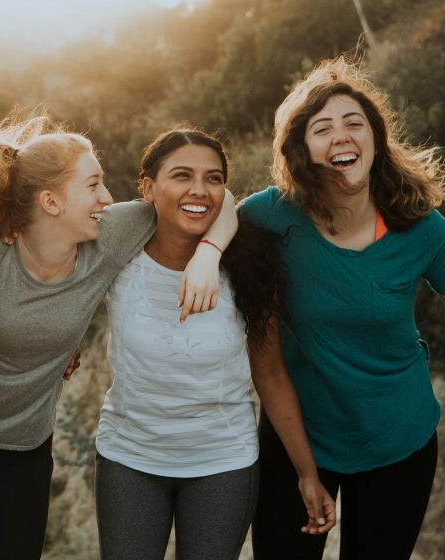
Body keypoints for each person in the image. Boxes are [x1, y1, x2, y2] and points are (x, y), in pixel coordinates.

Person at [0, 114, 236, 559]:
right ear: (51, 201)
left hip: (27, 444)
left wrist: (208, 254)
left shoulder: (110, 235)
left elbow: (215, 200)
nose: (108, 198)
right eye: (93, 186)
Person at [240, 57, 445, 559]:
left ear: (375, 138)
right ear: (301, 149)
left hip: (399, 442)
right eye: (322, 128)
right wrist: (205, 257)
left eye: (355, 123)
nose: (342, 136)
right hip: (297, 437)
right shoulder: (269, 217)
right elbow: (207, 213)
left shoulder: (421, 226)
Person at [94, 128, 335, 560]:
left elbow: (272, 374)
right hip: (128, 456)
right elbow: (62, 282)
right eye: (182, 176)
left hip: (222, 463)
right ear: (148, 187)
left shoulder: (249, 268)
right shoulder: (118, 249)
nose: (199, 191)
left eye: (214, 178)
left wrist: (307, 472)